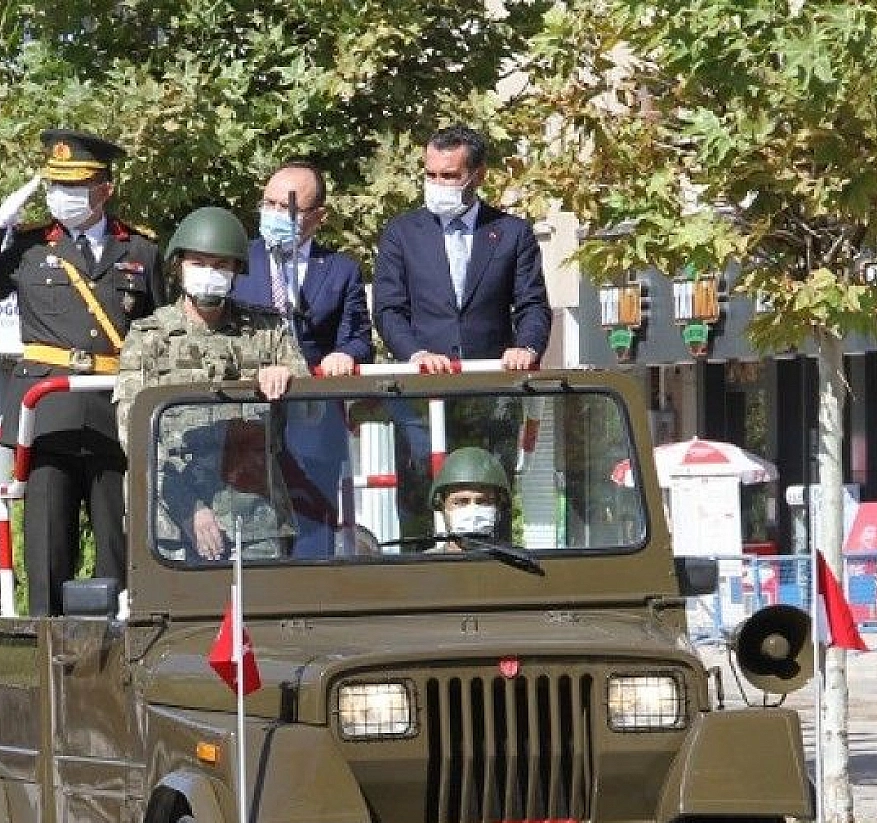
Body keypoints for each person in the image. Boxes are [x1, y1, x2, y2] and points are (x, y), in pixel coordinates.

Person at [0, 128, 166, 616]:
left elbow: (158, 329)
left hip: (114, 412)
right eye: (54, 185)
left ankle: (116, 640)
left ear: (104, 189)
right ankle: (50, 642)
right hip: (47, 416)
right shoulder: (29, 247)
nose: (61, 196)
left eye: (74, 186)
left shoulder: (140, 250)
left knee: (117, 544)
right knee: (47, 548)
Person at [372, 125, 552, 537]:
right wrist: (416, 354)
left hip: (490, 397)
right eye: (431, 174)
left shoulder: (511, 233)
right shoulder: (402, 233)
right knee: (420, 504)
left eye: (449, 175)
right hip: (422, 399)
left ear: (478, 175)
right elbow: (389, 309)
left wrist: (526, 347)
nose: (437, 184)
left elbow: (532, 305)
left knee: (489, 501)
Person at [114, 206, 307, 562]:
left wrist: (287, 378)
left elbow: (312, 413)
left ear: (236, 271)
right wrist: (190, 509)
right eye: (198, 263)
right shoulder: (149, 338)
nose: (209, 273)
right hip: (169, 522)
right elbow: (135, 436)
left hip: (254, 517)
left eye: (220, 265)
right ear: (179, 266)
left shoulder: (267, 332)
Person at [233, 160, 373, 557]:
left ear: (318, 216)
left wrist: (344, 355)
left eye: (288, 208)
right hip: (247, 426)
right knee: (250, 540)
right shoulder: (237, 262)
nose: (275, 214)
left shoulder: (341, 270)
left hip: (313, 426)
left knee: (312, 540)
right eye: (269, 204)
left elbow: (360, 339)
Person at [427, 447, 511, 552]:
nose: (473, 511)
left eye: (483, 502)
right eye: (461, 502)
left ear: (498, 507)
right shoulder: (424, 561)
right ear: (442, 506)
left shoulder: (518, 561)